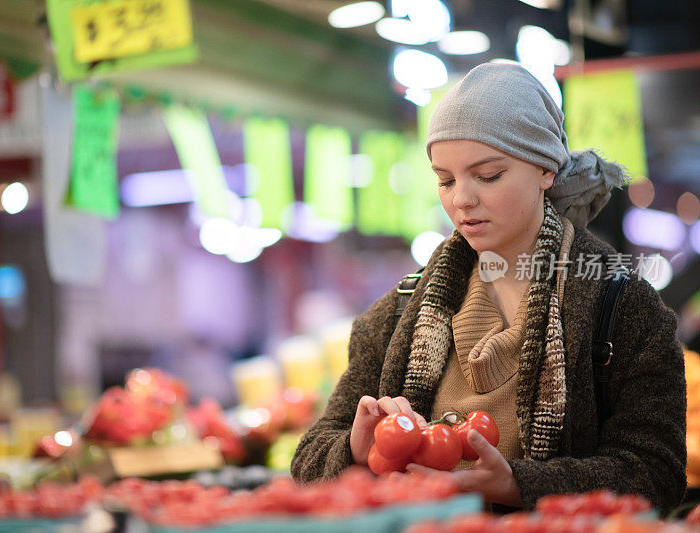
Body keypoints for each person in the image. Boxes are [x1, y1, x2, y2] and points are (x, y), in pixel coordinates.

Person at [290, 62, 686, 512]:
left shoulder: (622, 307)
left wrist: (519, 484)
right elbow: (308, 459)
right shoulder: (397, 315)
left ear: (545, 170)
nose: (461, 198)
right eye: (445, 179)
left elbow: (657, 472)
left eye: (489, 175)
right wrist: (357, 450)